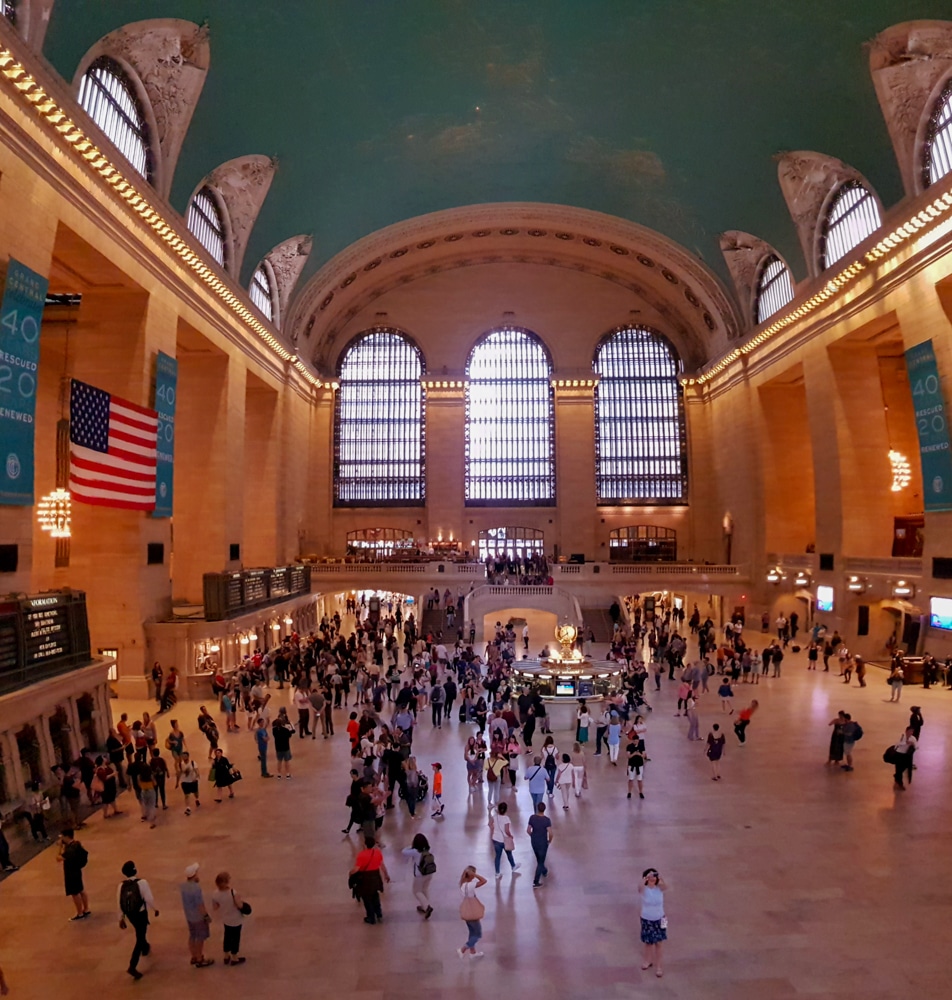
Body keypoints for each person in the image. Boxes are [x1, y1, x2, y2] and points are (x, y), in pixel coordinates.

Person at [118, 860, 158, 981]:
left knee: (140, 931)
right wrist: (155, 908)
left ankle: (145, 947)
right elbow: (148, 898)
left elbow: (119, 902)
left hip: (130, 915)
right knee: (140, 937)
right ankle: (132, 965)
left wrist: (121, 918)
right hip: (140, 913)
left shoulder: (121, 885)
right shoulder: (142, 882)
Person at [179, 863, 214, 968]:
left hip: (189, 916)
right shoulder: (196, 888)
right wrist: (206, 916)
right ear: (194, 875)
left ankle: (193, 956)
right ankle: (200, 959)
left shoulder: (183, 886)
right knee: (200, 938)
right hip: (198, 917)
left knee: (192, 936)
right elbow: (200, 905)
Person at [349, 835, 390, 925]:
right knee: (375, 895)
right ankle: (379, 914)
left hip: (365, 878)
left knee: (367, 898)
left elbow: (356, 868)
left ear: (365, 845)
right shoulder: (378, 853)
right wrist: (386, 875)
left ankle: (371, 917)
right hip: (375, 876)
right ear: (374, 844)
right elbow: (382, 866)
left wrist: (351, 873)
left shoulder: (362, 855)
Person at [211, 871, 249, 964]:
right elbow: (239, 905)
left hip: (226, 919)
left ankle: (226, 955)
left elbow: (215, 907)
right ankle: (234, 957)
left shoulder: (215, 894)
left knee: (227, 936)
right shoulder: (232, 892)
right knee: (235, 937)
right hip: (236, 919)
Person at [638, 868, 668, 978]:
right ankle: (647, 960)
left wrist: (660, 878)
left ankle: (659, 966)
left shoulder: (659, 889)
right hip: (647, 918)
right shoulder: (644, 889)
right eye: (650, 877)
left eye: (654, 876)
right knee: (648, 942)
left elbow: (666, 886)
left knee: (659, 943)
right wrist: (646, 877)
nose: (652, 878)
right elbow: (639, 887)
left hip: (661, 918)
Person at [402, 832, 435, 919]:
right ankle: (424, 906)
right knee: (424, 889)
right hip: (429, 873)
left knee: (416, 891)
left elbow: (404, 852)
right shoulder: (428, 849)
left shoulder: (415, 851)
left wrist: (411, 846)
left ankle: (427, 907)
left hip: (420, 875)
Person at [58, 829, 90, 920]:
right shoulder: (77, 844)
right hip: (77, 870)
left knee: (75, 893)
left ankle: (79, 913)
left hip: (71, 872)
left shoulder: (69, 850)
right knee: (81, 889)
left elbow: (58, 858)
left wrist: (59, 847)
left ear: (66, 836)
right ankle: (86, 908)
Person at [458, 866, 488, 959]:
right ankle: (463, 949)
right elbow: (484, 881)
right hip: (472, 911)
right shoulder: (470, 885)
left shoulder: (463, 885)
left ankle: (473, 952)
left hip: (467, 912)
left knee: (472, 933)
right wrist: (475, 874)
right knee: (478, 934)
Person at [488, 801, 519, 878]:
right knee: (509, 853)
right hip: (504, 840)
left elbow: (489, 824)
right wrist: (510, 836)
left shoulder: (494, 817)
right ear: (506, 810)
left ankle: (497, 873)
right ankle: (513, 866)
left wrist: (493, 829)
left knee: (497, 856)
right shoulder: (506, 819)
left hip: (496, 839)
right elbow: (506, 830)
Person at [526, 801, 552, 888]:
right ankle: (536, 881)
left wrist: (532, 836)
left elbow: (528, 830)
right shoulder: (546, 820)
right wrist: (549, 840)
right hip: (543, 843)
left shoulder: (532, 818)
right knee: (540, 861)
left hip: (534, 842)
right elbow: (550, 833)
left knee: (539, 859)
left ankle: (544, 871)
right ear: (544, 809)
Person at [891, 726, 917, 790]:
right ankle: (900, 783)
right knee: (898, 769)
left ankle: (897, 775)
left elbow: (916, 746)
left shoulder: (913, 739)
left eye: (912, 731)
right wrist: (906, 743)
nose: (910, 733)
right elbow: (897, 744)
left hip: (906, 755)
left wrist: (913, 744)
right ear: (906, 731)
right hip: (899, 754)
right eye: (909, 731)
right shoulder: (902, 736)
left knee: (905, 766)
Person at [272, 710, 295, 778]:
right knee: (287, 761)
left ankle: (279, 774)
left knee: (279, 761)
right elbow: (289, 735)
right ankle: (287, 773)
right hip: (286, 747)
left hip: (278, 747)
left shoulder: (274, 730)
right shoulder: (285, 730)